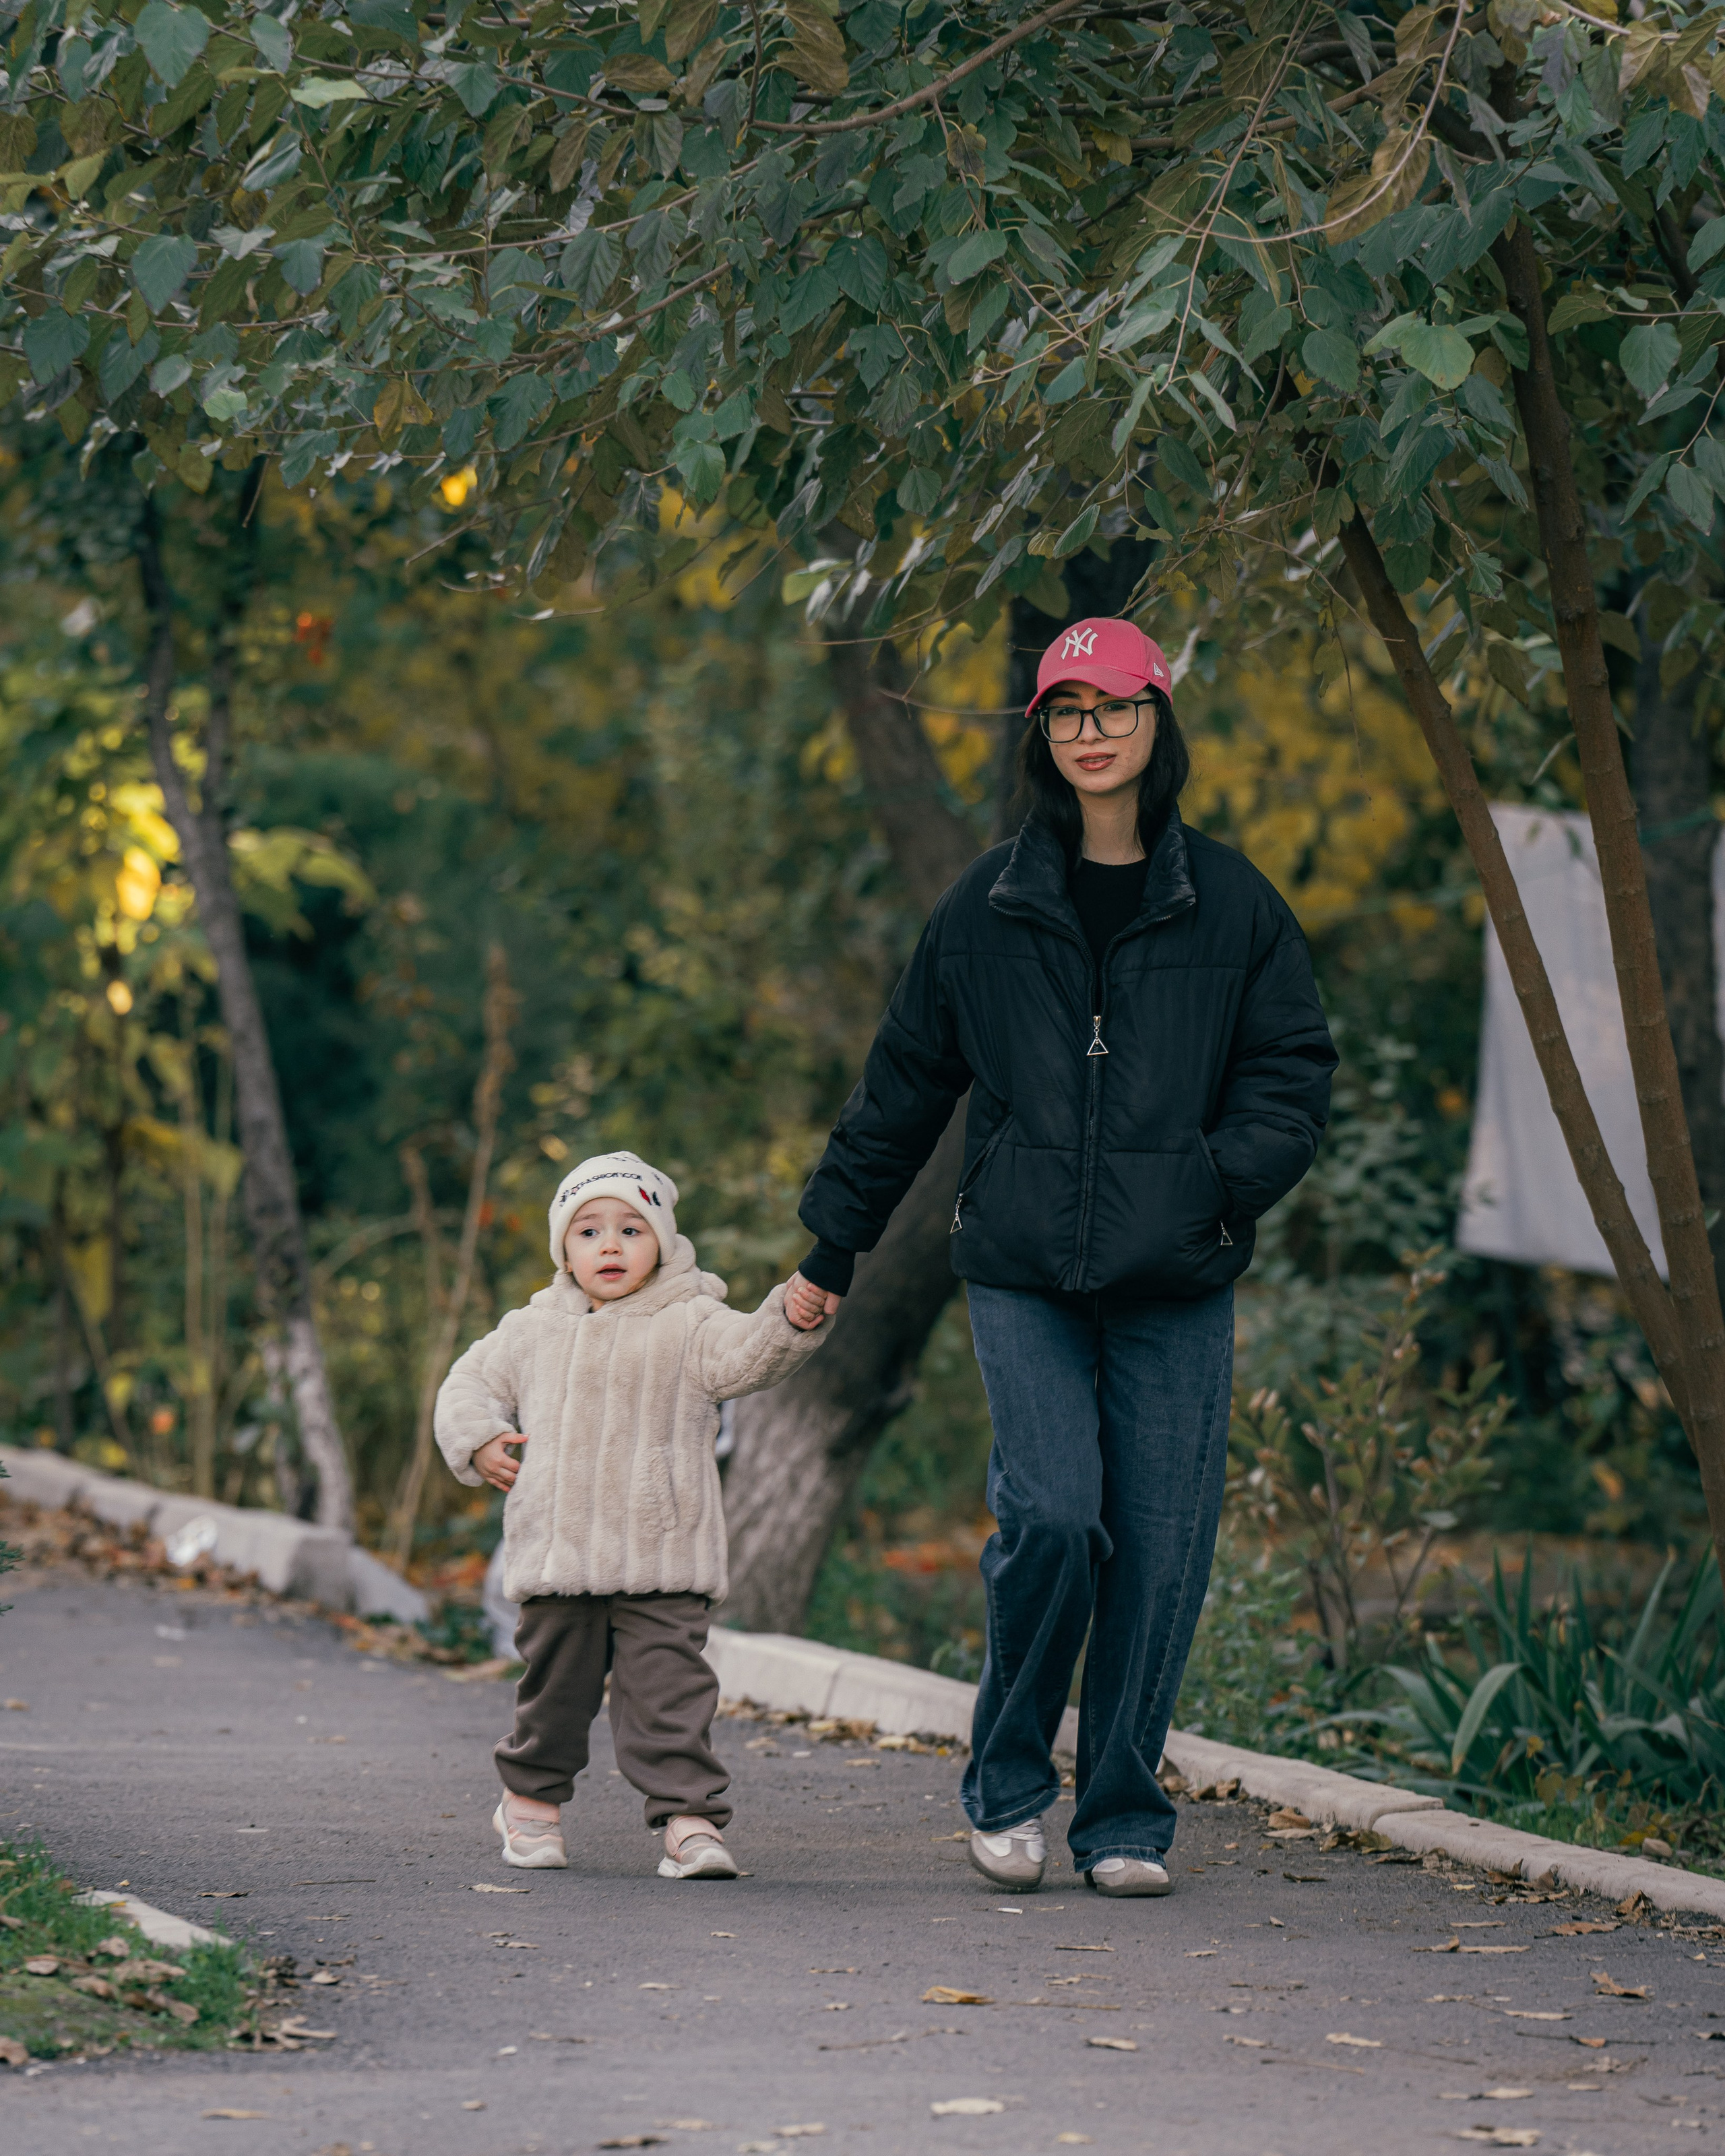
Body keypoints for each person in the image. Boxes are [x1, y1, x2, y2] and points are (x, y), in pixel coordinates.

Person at [794, 619, 1336, 1897]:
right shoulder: (986, 906)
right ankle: (1008, 1782)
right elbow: (904, 1087)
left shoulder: (1236, 903)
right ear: (1043, 735)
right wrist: (834, 1246)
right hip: (1024, 1266)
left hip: (1177, 1273)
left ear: (1160, 723)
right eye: (1067, 711)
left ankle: (1127, 1821)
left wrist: (1211, 1186)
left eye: (1116, 707)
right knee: (1051, 1516)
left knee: (1159, 1543)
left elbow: (1292, 1076)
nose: (1092, 732)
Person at [435, 1149, 832, 1878]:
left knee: (671, 1694)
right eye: (588, 1231)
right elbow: (468, 1382)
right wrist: (481, 1436)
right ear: (564, 1247)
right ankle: (530, 1798)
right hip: (559, 1554)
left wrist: (789, 1315)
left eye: (630, 1228)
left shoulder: (691, 1319)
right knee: (555, 1692)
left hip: (662, 1548)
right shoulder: (532, 1328)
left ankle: (689, 1819)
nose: (610, 1245)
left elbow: (750, 1354)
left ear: (662, 1241)